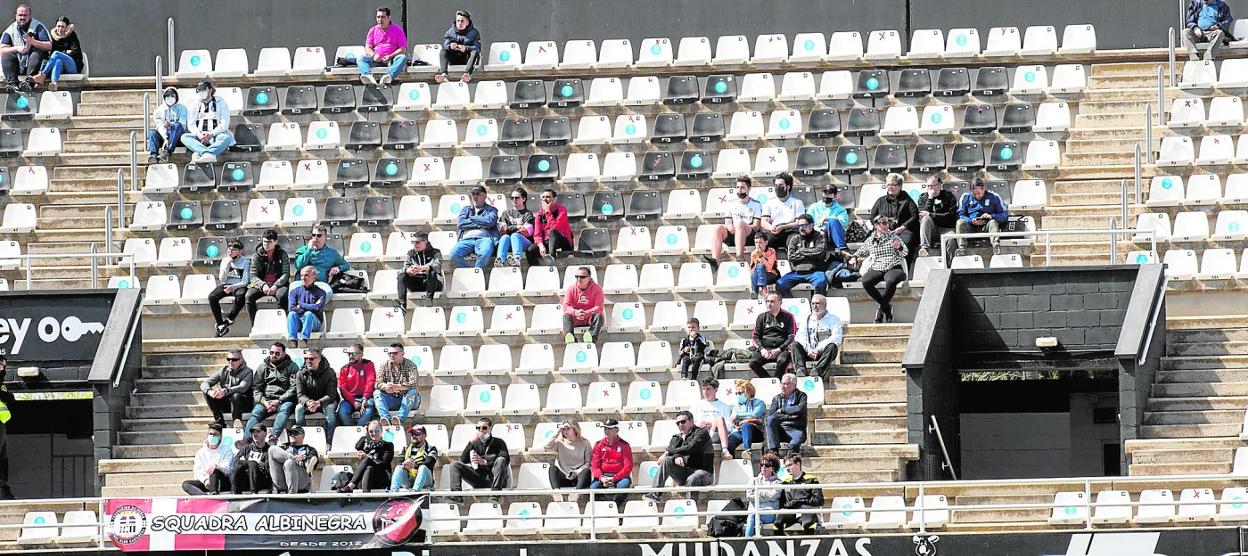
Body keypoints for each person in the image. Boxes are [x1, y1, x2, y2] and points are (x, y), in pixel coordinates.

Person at [643, 411, 713, 503]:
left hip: (703, 472)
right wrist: (676, 456)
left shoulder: (701, 433)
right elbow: (669, 453)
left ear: (691, 421)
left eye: (683, 422)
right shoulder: (676, 437)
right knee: (668, 460)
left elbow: (691, 448)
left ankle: (691, 507)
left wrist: (670, 452)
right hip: (684, 472)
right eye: (678, 423)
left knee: (692, 478)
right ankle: (655, 493)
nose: (680, 425)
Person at [853, 215, 908, 323]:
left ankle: (881, 309)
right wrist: (854, 257)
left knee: (891, 280)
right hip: (878, 267)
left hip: (893, 266)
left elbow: (905, 252)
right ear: (876, 225)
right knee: (866, 281)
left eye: (887, 223)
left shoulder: (893, 237)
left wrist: (899, 247)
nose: (886, 225)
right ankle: (886, 308)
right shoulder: (871, 240)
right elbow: (860, 251)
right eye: (883, 223)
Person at [704, 176, 762, 270]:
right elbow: (727, 223)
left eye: (742, 187)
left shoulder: (756, 204)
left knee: (740, 224)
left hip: (749, 235)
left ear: (749, 189)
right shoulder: (731, 204)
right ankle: (715, 260)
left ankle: (739, 256)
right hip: (734, 234)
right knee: (718, 228)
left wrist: (741, 227)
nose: (740, 190)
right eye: (738, 187)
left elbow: (756, 226)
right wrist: (730, 227)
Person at [245, 342, 299, 436]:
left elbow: (294, 388)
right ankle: (246, 439)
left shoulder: (292, 367)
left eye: (277, 353)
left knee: (284, 410)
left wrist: (279, 400)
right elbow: (256, 388)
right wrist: (264, 402)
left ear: (284, 354)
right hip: (266, 400)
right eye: (271, 353)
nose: (274, 355)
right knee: (256, 412)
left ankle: (274, 436)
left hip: (284, 400)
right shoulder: (262, 367)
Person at [448, 417, 511, 492]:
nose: (481, 430)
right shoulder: (475, 444)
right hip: (480, 480)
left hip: (496, 480)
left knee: (500, 460)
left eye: (484, 428)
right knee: (454, 465)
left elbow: (505, 458)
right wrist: (471, 442)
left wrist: (485, 462)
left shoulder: (499, 442)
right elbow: (464, 459)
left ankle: (495, 494)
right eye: (478, 428)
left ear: (490, 429)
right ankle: (456, 495)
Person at [180, 80, 234, 164]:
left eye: (203, 90)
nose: (201, 92)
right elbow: (191, 124)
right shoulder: (195, 104)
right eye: (199, 90)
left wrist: (211, 134)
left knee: (226, 138)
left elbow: (225, 124)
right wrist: (199, 134)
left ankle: (203, 153)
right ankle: (207, 153)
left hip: (215, 135)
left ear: (210, 89)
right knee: (184, 137)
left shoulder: (221, 103)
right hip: (200, 137)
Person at [791, 294, 843, 379]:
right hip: (809, 351)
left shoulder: (834, 319)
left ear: (824, 305)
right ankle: (800, 370)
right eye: (813, 303)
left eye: (818, 303)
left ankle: (818, 371)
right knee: (795, 344)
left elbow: (836, 338)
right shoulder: (807, 319)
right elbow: (800, 336)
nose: (815, 306)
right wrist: (808, 349)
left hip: (823, 353)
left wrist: (818, 349)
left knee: (832, 346)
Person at [293, 347, 339, 443]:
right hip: (309, 402)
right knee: (298, 409)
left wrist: (318, 403)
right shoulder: (300, 373)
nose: (308, 361)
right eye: (306, 359)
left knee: (330, 411)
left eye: (311, 359)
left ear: (319, 359)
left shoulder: (330, 372)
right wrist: (307, 402)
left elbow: (332, 394)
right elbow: (300, 394)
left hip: (327, 401)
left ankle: (329, 441)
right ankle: (301, 438)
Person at [870, 173, 919, 263]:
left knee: (902, 245)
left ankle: (902, 269)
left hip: (903, 231)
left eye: (893, 184)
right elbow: (872, 217)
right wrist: (881, 228)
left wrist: (902, 228)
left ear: (900, 186)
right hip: (883, 231)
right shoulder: (881, 201)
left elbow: (914, 216)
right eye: (888, 184)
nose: (889, 187)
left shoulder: (907, 200)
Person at [776, 214, 828, 297]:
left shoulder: (819, 237)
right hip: (796, 273)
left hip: (815, 272)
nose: (801, 228)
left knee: (821, 282)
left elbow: (819, 253)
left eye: (804, 225)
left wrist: (800, 251)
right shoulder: (795, 238)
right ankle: (792, 306)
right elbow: (791, 256)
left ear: (811, 225)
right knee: (780, 284)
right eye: (799, 225)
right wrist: (810, 254)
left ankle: (816, 305)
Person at [0, 5, 49, 92]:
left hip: (36, 68)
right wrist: (16, 48)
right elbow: (1, 50)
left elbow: (49, 45)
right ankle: (12, 84)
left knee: (36, 52)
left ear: (30, 16)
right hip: (19, 65)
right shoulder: (10, 30)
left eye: (25, 15)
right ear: (16, 16)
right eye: (20, 15)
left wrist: (34, 42)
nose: (22, 18)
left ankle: (29, 83)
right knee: (6, 55)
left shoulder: (38, 27)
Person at [772, 454, 824, 535]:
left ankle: (809, 545)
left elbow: (819, 500)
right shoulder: (786, 482)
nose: (787, 468)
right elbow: (782, 503)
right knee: (777, 524)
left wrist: (800, 501)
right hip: (791, 513)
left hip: (807, 512)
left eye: (790, 465)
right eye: (786, 466)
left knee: (808, 524)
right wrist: (791, 505)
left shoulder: (811, 480)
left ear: (798, 464)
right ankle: (781, 545)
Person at [200, 349, 253, 428]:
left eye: (234, 359)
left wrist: (225, 391)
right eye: (229, 359)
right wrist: (210, 392)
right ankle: (219, 420)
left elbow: (243, 387)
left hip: (243, 404)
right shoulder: (223, 370)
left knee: (235, 395)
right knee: (206, 392)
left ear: (241, 360)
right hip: (227, 402)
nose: (231, 362)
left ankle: (237, 421)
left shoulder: (248, 371)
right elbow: (205, 383)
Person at [955, 178, 1009, 256]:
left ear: (984, 189)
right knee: (960, 223)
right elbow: (960, 215)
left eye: (979, 193)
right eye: (974, 194)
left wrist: (991, 216)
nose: (977, 196)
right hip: (971, 226)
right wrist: (970, 220)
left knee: (993, 222)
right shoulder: (966, 197)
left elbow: (1004, 215)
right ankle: (961, 248)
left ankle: (996, 246)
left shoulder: (994, 196)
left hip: (986, 226)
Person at [396, 230, 444, 318]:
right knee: (402, 275)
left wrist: (423, 268)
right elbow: (402, 269)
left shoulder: (436, 252)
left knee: (432, 271)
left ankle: (429, 299)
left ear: (425, 242)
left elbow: (437, 266)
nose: (414, 244)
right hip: (417, 282)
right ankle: (402, 304)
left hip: (433, 283)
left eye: (417, 242)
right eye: (413, 242)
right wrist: (408, 270)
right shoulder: (410, 253)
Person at [245, 230, 290, 323]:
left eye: (270, 242)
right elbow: (253, 276)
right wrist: (262, 285)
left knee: (282, 296)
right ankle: (254, 325)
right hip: (262, 285)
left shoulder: (282, 254)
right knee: (249, 296)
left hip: (278, 284)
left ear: (275, 242)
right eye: (265, 241)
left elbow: (286, 274)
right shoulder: (256, 255)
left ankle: (282, 323)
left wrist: (276, 285)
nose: (266, 244)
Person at [450, 185, 499, 269]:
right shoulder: (466, 209)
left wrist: (472, 218)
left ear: (485, 196)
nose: (475, 197)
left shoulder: (492, 209)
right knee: (453, 254)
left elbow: (490, 222)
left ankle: (477, 274)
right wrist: (480, 224)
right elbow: (460, 224)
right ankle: (470, 273)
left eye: (478, 194)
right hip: (466, 240)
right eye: (473, 194)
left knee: (485, 252)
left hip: (484, 239)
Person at [749, 293, 797, 378]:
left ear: (780, 302)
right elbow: (755, 336)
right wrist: (762, 349)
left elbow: (792, 337)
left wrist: (779, 349)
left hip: (782, 350)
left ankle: (777, 381)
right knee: (753, 362)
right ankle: (769, 381)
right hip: (765, 349)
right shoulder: (761, 317)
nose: (769, 304)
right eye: (767, 301)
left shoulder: (789, 317)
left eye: (772, 301)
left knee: (783, 360)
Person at [209, 241, 251, 338]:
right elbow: (222, 279)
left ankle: (230, 319)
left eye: (234, 250)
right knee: (212, 297)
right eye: (229, 249)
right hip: (226, 284)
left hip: (238, 285)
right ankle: (220, 324)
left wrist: (233, 287)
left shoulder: (245, 262)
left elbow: (245, 281)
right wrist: (226, 265)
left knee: (241, 296)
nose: (230, 252)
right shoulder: (225, 260)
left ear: (240, 252)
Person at [373, 343, 422, 426]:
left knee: (412, 392)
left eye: (395, 353)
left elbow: (413, 384)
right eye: (390, 353)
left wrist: (397, 387)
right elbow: (377, 383)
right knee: (377, 393)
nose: (392, 355)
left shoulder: (411, 366)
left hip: (409, 400)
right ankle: (386, 419)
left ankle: (399, 419)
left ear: (402, 354)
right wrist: (385, 386)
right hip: (393, 398)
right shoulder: (384, 366)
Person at [339, 421, 394, 493]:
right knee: (369, 468)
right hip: (366, 478)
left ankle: (351, 485)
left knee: (367, 460)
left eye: (377, 431)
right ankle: (366, 496)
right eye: (371, 431)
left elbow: (384, 463)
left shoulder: (388, 445)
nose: (374, 433)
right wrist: (366, 435)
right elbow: (357, 446)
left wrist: (367, 457)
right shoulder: (367, 445)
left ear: (381, 431)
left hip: (381, 478)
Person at [358, 6, 407, 86]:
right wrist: (374, 56)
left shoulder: (397, 29)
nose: (380, 20)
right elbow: (368, 48)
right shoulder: (372, 30)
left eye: (383, 17)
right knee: (361, 58)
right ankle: (368, 77)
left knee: (402, 58)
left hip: (391, 60)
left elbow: (402, 49)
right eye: (378, 17)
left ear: (389, 18)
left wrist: (390, 56)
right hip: (376, 60)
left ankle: (388, 76)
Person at [589, 419, 633, 505]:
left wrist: (614, 478)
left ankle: (614, 506)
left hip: (620, 476)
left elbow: (628, 466)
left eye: (609, 428)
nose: (606, 431)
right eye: (605, 428)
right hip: (603, 475)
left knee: (623, 486)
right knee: (593, 488)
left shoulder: (624, 445)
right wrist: (601, 477)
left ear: (616, 430)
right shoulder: (598, 445)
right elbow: (595, 466)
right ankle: (605, 506)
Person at [543, 419, 592, 495]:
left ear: (575, 429)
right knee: (552, 468)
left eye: (568, 428)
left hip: (578, 478)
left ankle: (576, 495)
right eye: (563, 429)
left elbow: (588, 462)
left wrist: (576, 472)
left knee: (586, 471)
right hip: (564, 477)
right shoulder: (560, 442)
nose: (565, 431)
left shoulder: (585, 443)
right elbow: (546, 447)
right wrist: (557, 432)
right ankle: (557, 493)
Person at [182, 423, 235, 495]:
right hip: (207, 483)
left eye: (215, 434)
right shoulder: (201, 452)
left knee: (214, 470)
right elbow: (197, 470)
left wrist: (218, 467)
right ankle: (205, 497)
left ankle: (213, 494)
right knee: (186, 484)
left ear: (221, 436)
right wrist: (205, 480)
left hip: (221, 481)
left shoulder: (227, 450)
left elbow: (228, 469)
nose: (212, 436)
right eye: (210, 434)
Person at [31, 16, 80, 91]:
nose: (60, 29)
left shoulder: (72, 35)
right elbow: (49, 53)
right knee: (58, 61)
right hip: (60, 66)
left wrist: (62, 54)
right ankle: (54, 84)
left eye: (63, 27)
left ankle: (42, 75)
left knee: (56, 53)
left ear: (67, 27)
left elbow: (75, 51)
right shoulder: (53, 37)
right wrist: (66, 52)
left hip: (72, 64)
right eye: (58, 26)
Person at [760, 173, 806, 250]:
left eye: (780, 185)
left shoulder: (797, 202)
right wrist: (771, 227)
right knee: (766, 243)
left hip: (790, 231)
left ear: (788, 187)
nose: (778, 188)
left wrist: (783, 227)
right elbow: (763, 222)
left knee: (793, 244)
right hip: (774, 231)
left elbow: (799, 222)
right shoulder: (769, 203)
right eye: (776, 185)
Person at [527, 188, 574, 264]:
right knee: (530, 250)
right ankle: (536, 269)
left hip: (562, 239)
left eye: (548, 197)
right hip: (548, 241)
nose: (545, 199)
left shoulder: (561, 210)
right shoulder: (539, 214)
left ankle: (551, 257)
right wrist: (541, 245)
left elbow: (555, 228)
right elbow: (537, 234)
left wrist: (547, 212)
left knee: (552, 231)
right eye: (543, 197)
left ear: (554, 199)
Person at [765, 374, 808, 456]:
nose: (782, 386)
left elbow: (799, 409)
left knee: (794, 445)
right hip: (780, 429)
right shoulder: (776, 398)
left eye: (786, 384)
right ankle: (774, 451)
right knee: (770, 419)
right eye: (781, 383)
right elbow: (772, 414)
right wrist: (789, 416)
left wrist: (782, 410)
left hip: (795, 428)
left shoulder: (802, 396)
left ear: (794, 385)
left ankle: (790, 457)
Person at [690, 378, 734, 460]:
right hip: (700, 434)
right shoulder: (696, 405)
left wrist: (713, 425)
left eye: (708, 389)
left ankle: (725, 450)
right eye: (703, 389)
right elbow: (689, 422)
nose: (705, 392)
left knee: (719, 419)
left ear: (716, 389)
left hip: (716, 435)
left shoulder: (724, 406)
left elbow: (729, 427)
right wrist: (698, 426)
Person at [267, 426, 319, 494]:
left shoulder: (309, 449)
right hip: (283, 480)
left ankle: (292, 494)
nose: (292, 435)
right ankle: (293, 459)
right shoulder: (284, 447)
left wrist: (305, 458)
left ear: (302, 435)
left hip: (302, 482)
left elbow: (312, 464)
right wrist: (294, 458)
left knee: (289, 463)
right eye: (290, 433)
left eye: (295, 433)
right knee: (272, 449)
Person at [334, 343, 376, 429]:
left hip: (367, 398)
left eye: (353, 354)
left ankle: (357, 430)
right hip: (350, 399)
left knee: (368, 410)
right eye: (349, 354)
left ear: (361, 355)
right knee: (342, 411)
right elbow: (343, 388)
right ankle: (351, 430)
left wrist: (365, 398)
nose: (350, 356)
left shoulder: (368, 364)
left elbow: (370, 382)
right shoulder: (344, 369)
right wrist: (353, 402)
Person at [917, 176, 959, 257]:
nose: (930, 188)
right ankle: (924, 248)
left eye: (933, 185)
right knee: (925, 219)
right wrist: (930, 199)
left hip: (946, 228)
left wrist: (931, 214)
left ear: (940, 185)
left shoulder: (949, 197)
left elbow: (951, 216)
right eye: (928, 186)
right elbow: (922, 215)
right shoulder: (923, 198)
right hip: (931, 229)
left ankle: (951, 265)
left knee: (951, 238)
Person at [436, 9, 481, 84]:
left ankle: (466, 74)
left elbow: (477, 48)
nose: (460, 23)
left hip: (467, 58)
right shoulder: (450, 32)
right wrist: (450, 46)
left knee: (474, 52)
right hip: (454, 58)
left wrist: (466, 48)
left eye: (462, 21)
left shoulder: (474, 32)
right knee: (443, 51)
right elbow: (445, 46)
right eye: (458, 21)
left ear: (467, 22)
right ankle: (444, 74)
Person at [390, 425, 439, 492]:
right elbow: (399, 462)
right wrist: (405, 464)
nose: (414, 436)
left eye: (417, 434)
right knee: (399, 467)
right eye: (412, 433)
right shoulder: (405, 448)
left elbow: (429, 464)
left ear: (424, 435)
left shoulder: (431, 448)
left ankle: (415, 492)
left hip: (426, 481)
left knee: (423, 467)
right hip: (409, 479)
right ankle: (393, 493)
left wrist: (414, 465)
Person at [726, 379, 766, 460]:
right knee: (730, 441)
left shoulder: (759, 403)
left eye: (740, 393)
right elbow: (732, 419)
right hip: (740, 431)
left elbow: (755, 414)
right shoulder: (736, 405)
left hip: (755, 431)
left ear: (748, 392)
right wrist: (737, 421)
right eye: (736, 393)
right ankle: (731, 462)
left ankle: (747, 450)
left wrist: (739, 416)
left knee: (746, 425)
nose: (738, 395)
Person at [744, 453, 783, 537]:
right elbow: (749, 496)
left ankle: (747, 539)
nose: (763, 467)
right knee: (753, 515)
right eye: (762, 465)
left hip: (770, 513)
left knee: (753, 515)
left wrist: (758, 491)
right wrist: (766, 494)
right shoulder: (753, 480)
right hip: (755, 512)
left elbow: (773, 496)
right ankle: (747, 540)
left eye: (767, 465)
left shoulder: (778, 482)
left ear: (773, 468)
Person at [562, 266, 604, 344]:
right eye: (577, 276)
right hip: (576, 318)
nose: (579, 279)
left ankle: (591, 337)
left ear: (589, 278)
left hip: (589, 319)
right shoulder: (571, 289)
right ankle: (569, 336)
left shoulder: (597, 289)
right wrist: (575, 312)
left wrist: (586, 313)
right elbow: (566, 307)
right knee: (566, 316)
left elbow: (599, 307)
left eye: (582, 277)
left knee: (598, 316)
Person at [287, 266, 327, 347]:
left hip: (314, 322)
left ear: (314, 277)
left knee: (308, 314)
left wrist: (301, 305)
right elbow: (291, 308)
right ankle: (292, 340)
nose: (303, 278)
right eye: (301, 275)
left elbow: (318, 308)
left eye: (306, 275)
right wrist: (311, 307)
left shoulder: (321, 292)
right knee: (292, 314)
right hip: (299, 321)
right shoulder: (294, 291)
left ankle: (304, 339)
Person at [147, 87, 188, 164]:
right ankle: (153, 156)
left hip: (177, 137)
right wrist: (165, 137)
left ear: (176, 97)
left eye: (172, 96)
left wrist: (171, 126)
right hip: (164, 136)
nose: (170, 98)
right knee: (152, 132)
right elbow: (159, 125)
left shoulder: (182, 108)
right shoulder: (159, 110)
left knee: (177, 125)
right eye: (167, 96)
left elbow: (183, 125)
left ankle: (167, 151)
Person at [496, 187, 534, 267]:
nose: (514, 200)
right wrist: (517, 227)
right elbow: (503, 231)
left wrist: (510, 228)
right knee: (505, 237)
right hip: (509, 241)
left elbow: (526, 232)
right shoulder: (505, 213)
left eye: (517, 197)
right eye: (512, 198)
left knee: (515, 235)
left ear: (524, 199)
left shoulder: (528, 214)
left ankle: (517, 259)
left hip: (524, 242)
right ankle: (500, 261)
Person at [230, 424, 272, 495]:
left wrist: (252, 463)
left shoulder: (269, 450)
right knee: (237, 468)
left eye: (258, 431)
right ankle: (234, 493)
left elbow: (267, 468)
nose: (255, 434)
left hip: (261, 481)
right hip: (246, 480)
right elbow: (235, 462)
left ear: (265, 433)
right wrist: (251, 462)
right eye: (253, 432)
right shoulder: (246, 448)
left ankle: (253, 492)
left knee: (252, 464)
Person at [0, 357, 15, 499]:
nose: (3, 369)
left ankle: (4, 491)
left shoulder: (2, 385)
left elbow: (9, 399)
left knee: (4, 460)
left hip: (2, 424)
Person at [749, 232, 779, 297]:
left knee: (760, 266)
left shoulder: (771, 251)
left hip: (771, 274)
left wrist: (760, 256)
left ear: (766, 243)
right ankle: (755, 293)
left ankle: (762, 289)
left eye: (760, 242)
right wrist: (756, 265)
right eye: (756, 243)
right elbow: (751, 269)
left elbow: (769, 268)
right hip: (759, 275)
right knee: (754, 273)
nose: (758, 245)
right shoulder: (753, 253)